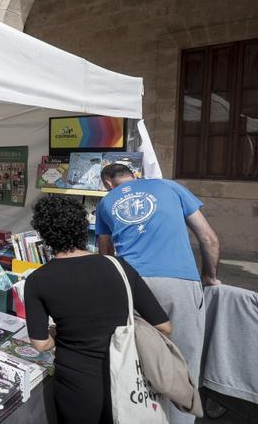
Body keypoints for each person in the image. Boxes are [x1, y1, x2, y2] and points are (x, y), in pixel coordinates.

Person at [24, 195, 171, 424]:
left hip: (76, 385)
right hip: (129, 378)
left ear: (44, 236)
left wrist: (58, 332)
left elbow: (41, 344)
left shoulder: (37, 280)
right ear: (83, 228)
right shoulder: (118, 265)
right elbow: (164, 326)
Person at [96, 164, 220, 424]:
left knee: (137, 357)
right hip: (179, 281)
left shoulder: (106, 202)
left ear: (107, 182)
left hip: (132, 283)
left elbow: (105, 256)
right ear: (133, 174)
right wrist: (208, 275)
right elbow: (208, 238)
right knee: (185, 358)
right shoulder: (170, 186)